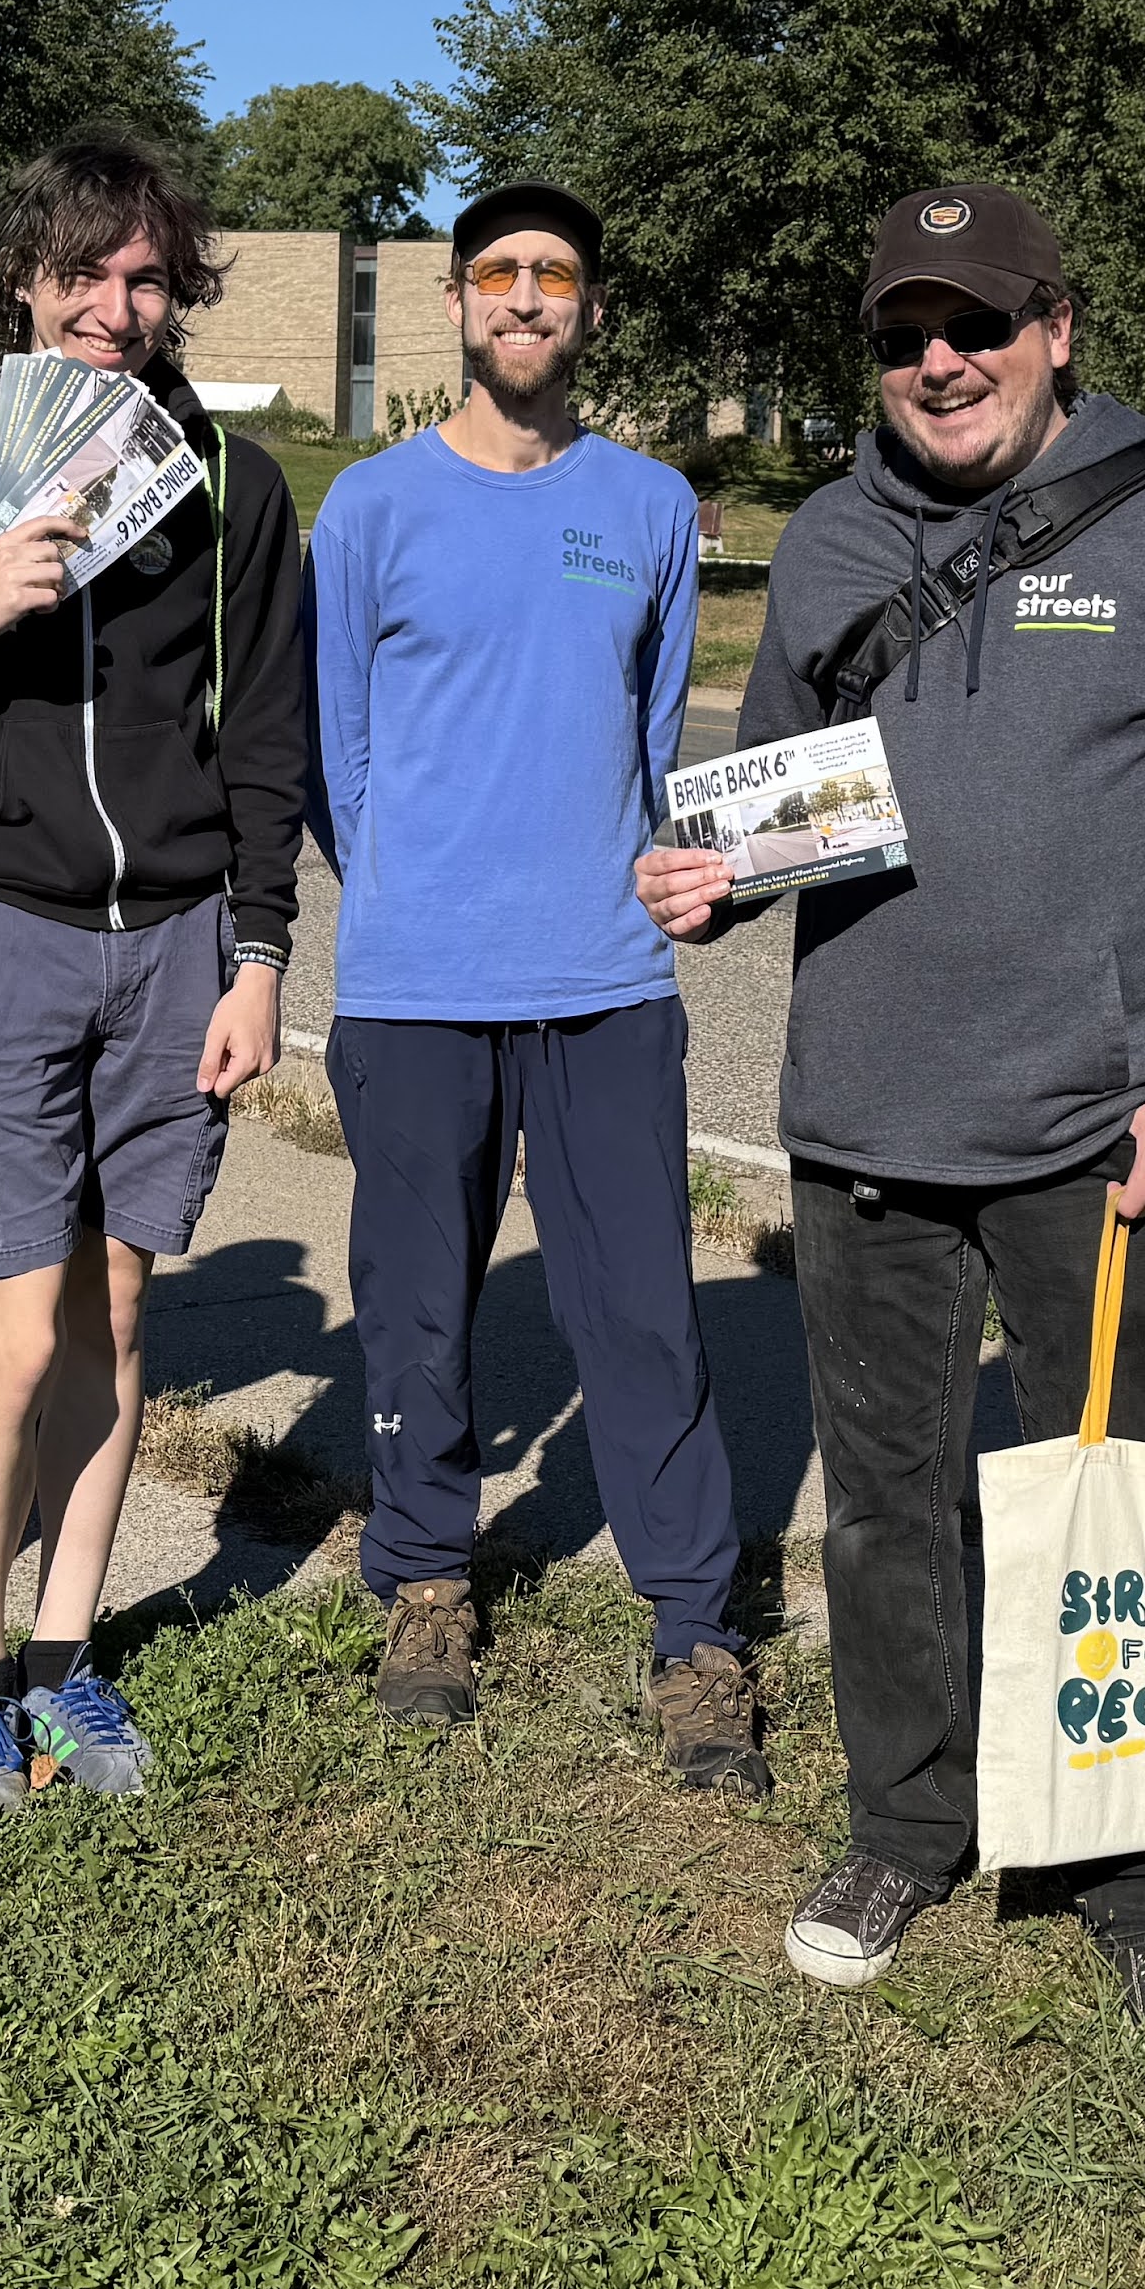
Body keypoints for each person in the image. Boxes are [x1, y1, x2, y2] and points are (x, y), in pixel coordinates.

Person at [636, 180, 1145, 2078]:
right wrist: (714, 877)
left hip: (1105, 1138)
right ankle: (903, 1831)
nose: (939, 360)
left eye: (978, 324)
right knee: (884, 1510)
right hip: (862, 1119)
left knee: (1122, 1534)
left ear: (1055, 329)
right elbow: (769, 797)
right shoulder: (838, 533)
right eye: (902, 333)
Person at [0, 133, 313, 1817]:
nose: (112, 304)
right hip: (6, 934)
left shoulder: (231, 488)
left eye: (145, 276)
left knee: (112, 1313)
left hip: (177, 947)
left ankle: (72, 1657)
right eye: (81, 271)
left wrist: (257, 957)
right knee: (8, 1334)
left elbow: (265, 745)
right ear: (21, 281)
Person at [306, 181, 758, 1787]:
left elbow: (652, 741)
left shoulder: (645, 505)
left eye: (552, 275)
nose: (523, 298)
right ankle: (426, 1580)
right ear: (454, 301)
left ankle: (694, 1627)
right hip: (417, 984)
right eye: (496, 272)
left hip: (606, 982)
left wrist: (621, 885)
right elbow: (337, 750)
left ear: (585, 308)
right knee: (419, 1312)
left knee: (639, 1312)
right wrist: (421, 894)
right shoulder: (365, 507)